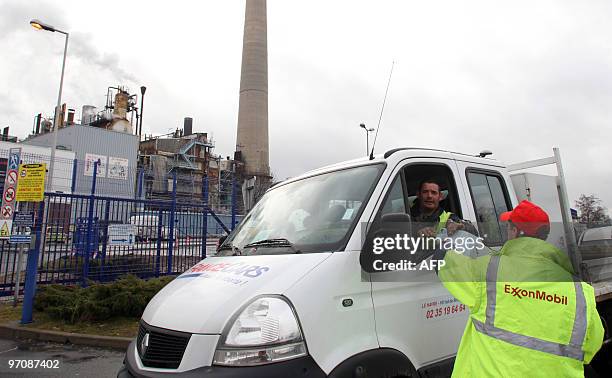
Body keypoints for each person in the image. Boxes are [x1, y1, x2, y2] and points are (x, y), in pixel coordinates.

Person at [438, 200, 604, 377]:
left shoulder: (490, 271)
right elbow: (590, 347)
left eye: (509, 227)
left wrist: (441, 233)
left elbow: (446, 264)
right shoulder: (579, 292)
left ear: (515, 231)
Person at [410, 178, 475, 237]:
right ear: (418, 194)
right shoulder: (406, 216)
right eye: (425, 192)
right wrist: (417, 234)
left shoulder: (449, 217)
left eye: (434, 193)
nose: (429, 196)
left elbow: (474, 233)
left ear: (440, 196)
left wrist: (461, 226)